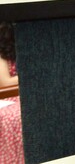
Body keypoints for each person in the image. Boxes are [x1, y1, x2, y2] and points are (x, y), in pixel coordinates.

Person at [0, 22, 23, 163]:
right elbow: (5, 82)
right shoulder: (2, 52)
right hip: (8, 97)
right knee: (13, 116)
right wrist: (30, 77)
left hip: (26, 94)